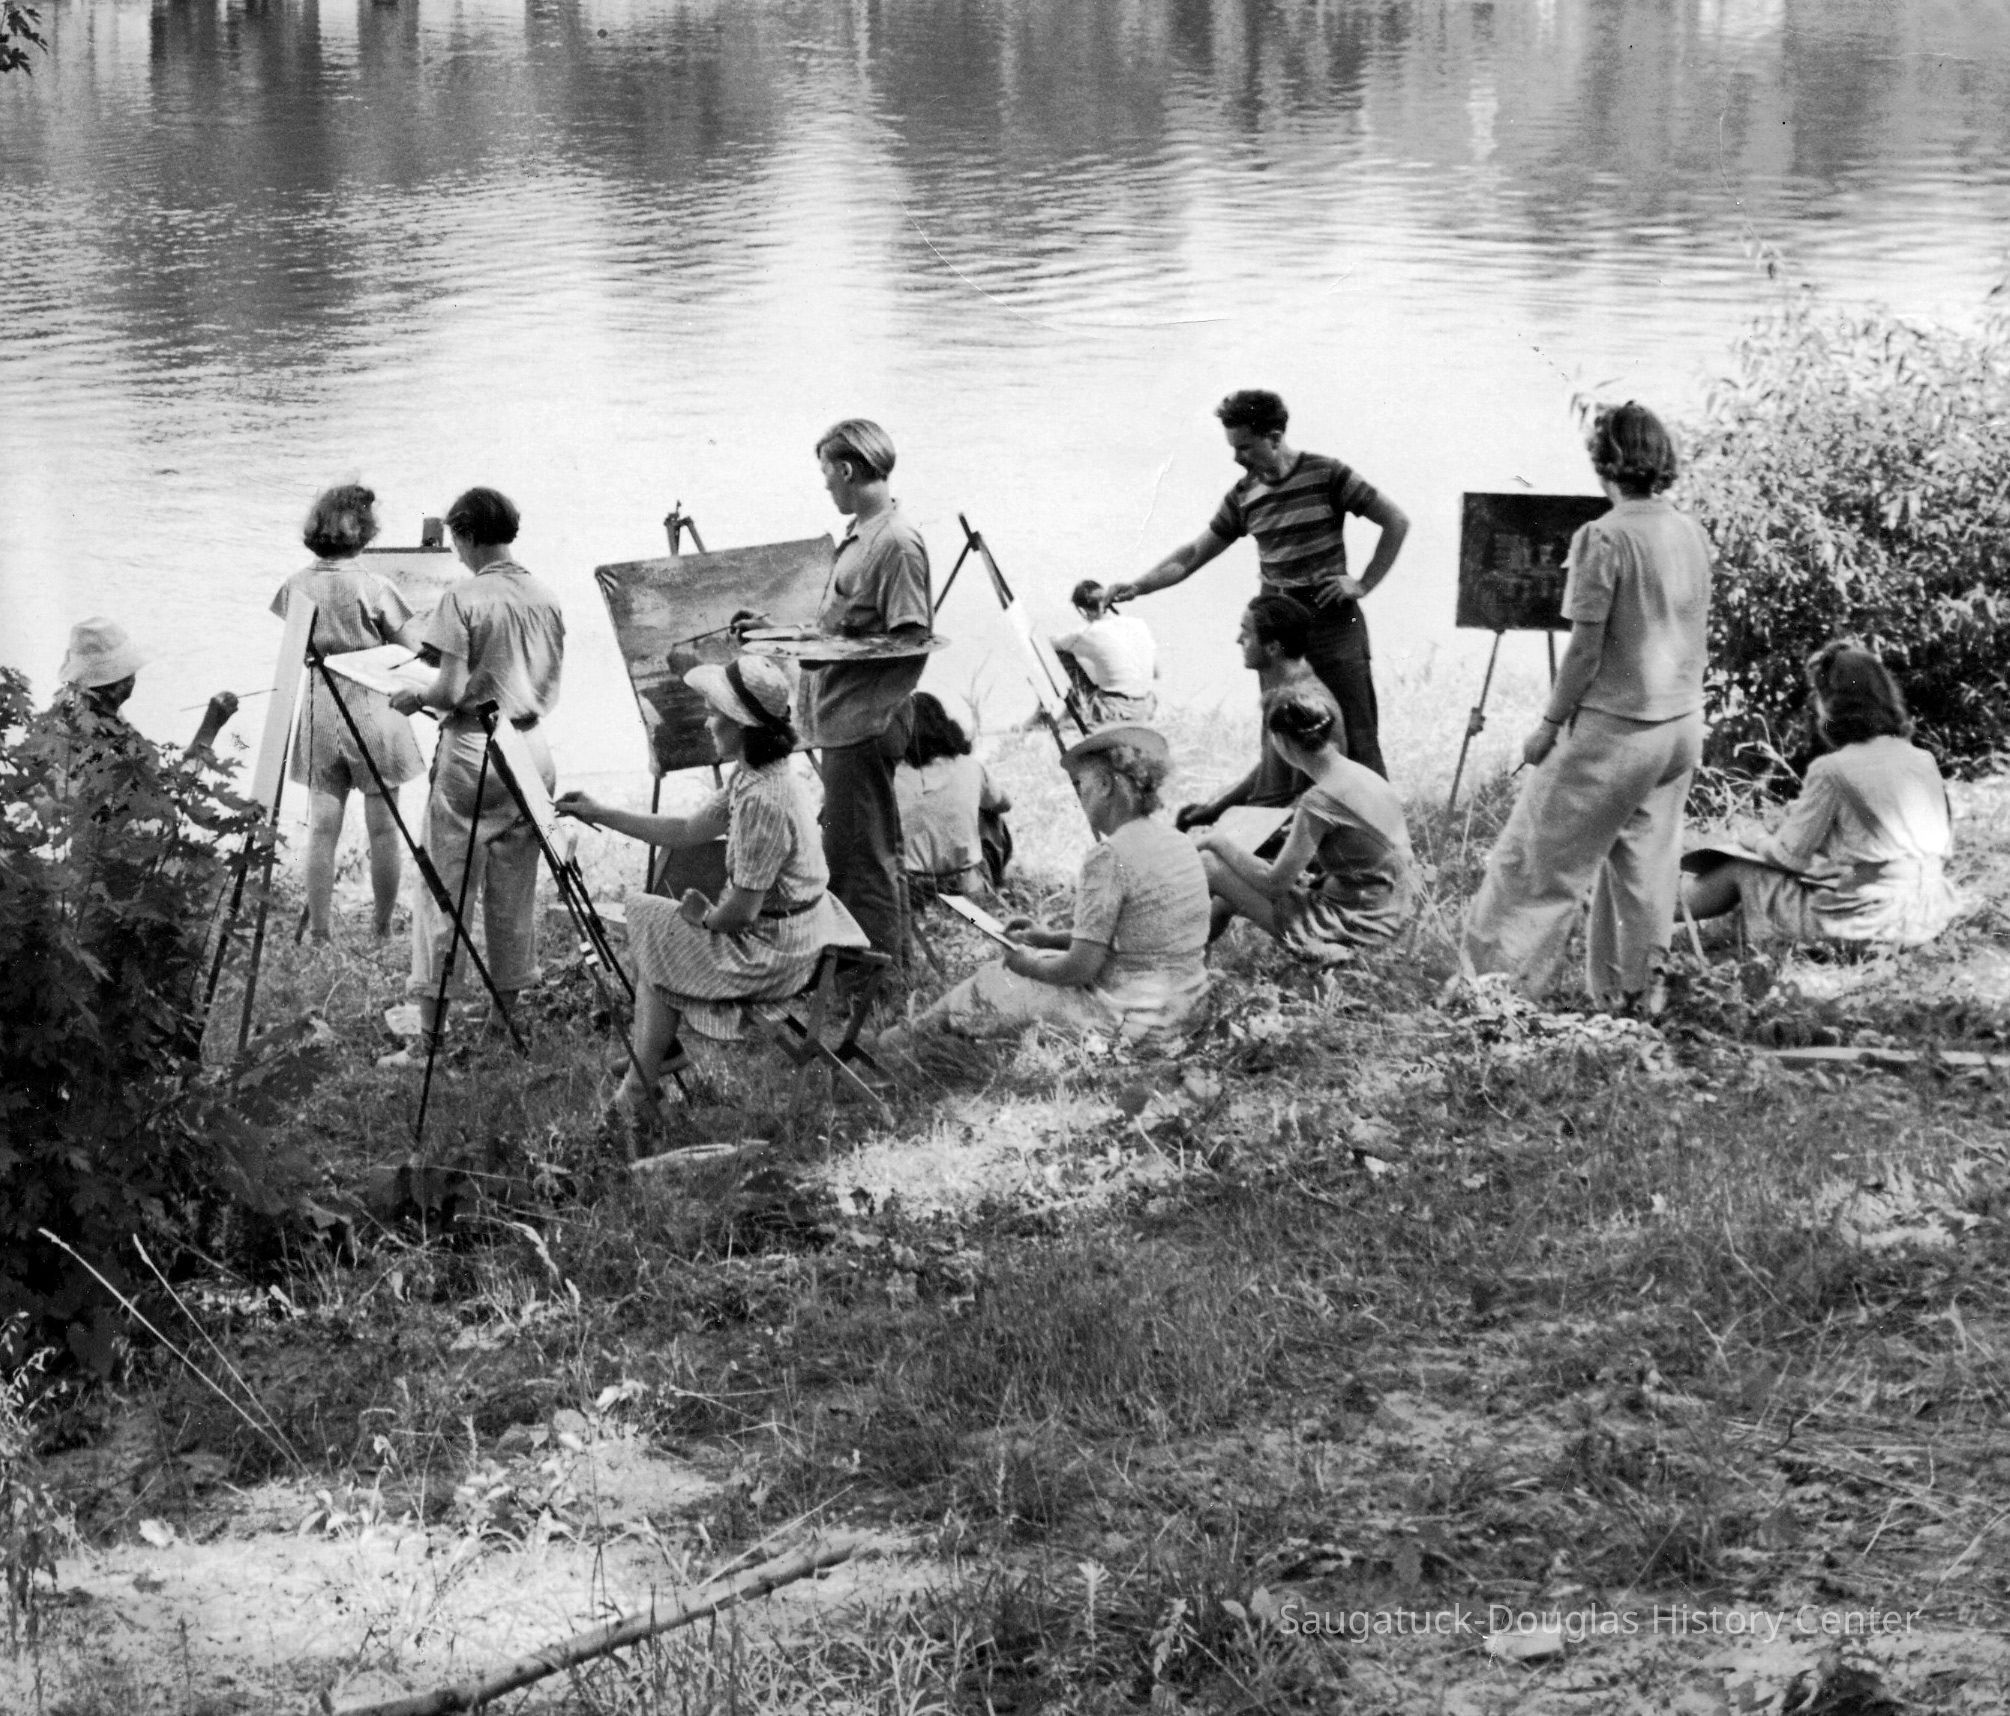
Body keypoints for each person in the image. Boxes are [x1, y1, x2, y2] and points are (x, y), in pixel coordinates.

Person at [1463, 402, 1712, 1008]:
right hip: (1679, 726)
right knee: (1645, 869)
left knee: (1533, 865)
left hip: (1618, 730)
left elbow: (1583, 652)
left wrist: (1548, 726)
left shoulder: (1603, 536)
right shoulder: (1690, 531)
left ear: (1603, 461)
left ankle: (1492, 997)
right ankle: (1636, 998)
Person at [556, 656, 869, 1120]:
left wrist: (704, 918)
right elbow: (686, 829)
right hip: (794, 930)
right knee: (655, 924)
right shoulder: (756, 774)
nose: (707, 722)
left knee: (655, 927)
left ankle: (640, 1086)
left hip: (779, 952)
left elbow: (740, 913)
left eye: (714, 713)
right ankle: (652, 1062)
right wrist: (601, 812)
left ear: (742, 725)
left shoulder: (762, 800)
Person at [1106, 390, 1409, 778]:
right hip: (1275, 628)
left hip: (1332, 621)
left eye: (1245, 447)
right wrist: (1138, 586)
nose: (1237, 458)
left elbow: (1395, 521)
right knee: (1285, 739)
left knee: (1356, 733)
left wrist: (1364, 584)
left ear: (1275, 437)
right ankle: (1291, 811)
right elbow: (1192, 555)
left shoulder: (1328, 474)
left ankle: (1376, 813)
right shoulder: (1244, 495)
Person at [892, 725, 1212, 1047]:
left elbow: (1080, 969)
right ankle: (920, 1033)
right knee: (1038, 958)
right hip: (1185, 1011)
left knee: (994, 979)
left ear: (1104, 785)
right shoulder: (1179, 842)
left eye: (1081, 784)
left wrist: (1026, 965)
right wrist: (1045, 938)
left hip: (1133, 1023)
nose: (1080, 797)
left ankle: (905, 1038)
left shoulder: (1109, 856)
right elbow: (1129, 935)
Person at [390, 487, 564, 1049]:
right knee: (514, 891)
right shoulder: (545, 595)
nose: (457, 554)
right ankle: (503, 1022)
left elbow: (449, 690)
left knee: (445, 888)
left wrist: (417, 697)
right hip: (531, 746)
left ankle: (430, 1034)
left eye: (456, 542)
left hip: (474, 749)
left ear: (465, 535)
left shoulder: (463, 597)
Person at [1680, 643, 1959, 948]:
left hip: (1872, 924)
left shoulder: (1832, 769)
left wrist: (1754, 840)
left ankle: (1649, 916)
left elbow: (1788, 856)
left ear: (1830, 703)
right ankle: (1660, 918)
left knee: (1742, 868)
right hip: (1928, 915)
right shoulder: (1922, 759)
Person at [799, 419, 933, 964]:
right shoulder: (863, 535)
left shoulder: (895, 542)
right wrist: (785, 632)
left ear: (848, 470)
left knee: (859, 859)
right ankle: (887, 968)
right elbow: (849, 622)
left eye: (827, 473)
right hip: (845, 719)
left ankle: (869, 980)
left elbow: (911, 638)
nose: (825, 484)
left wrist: (831, 649)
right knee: (863, 849)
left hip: (867, 719)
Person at [270, 482, 425, 941]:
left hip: (320, 708)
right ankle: (381, 928)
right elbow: (412, 649)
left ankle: (320, 931)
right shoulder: (375, 586)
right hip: (374, 707)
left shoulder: (295, 585)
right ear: (365, 533)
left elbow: (295, 644)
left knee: (322, 829)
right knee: (384, 830)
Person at [1194, 686, 1417, 959]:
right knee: (1224, 900)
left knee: (1209, 865)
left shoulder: (1319, 800)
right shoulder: (1363, 774)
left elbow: (1274, 884)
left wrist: (1216, 840)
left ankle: (1179, 961)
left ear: (1282, 742)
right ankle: (1191, 961)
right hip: (1391, 914)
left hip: (1358, 926)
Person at [1175, 592, 1321, 831]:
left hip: (1280, 829)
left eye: (1246, 632)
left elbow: (1320, 793)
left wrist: (1258, 835)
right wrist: (1214, 811)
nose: (1238, 640)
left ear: (1272, 648)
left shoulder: (1302, 703)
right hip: (1264, 818)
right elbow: (1270, 771)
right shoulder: (1282, 691)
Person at [895, 691, 1012, 899]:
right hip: (966, 884)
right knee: (991, 815)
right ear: (944, 725)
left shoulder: (891, 775)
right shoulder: (969, 766)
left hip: (911, 887)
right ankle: (998, 883)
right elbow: (1005, 804)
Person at [1050, 580, 1158, 723]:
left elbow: (1049, 645)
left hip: (1116, 709)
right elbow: (1156, 673)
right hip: (1148, 705)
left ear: (1082, 611)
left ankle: (1071, 714)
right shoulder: (1139, 624)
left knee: (1061, 654)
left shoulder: (1087, 633)